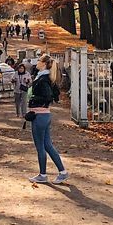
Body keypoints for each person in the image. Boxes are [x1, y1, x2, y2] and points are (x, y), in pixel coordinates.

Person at [26, 54, 68, 184]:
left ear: (43, 64)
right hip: (43, 114)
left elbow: (49, 96)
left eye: (38, 60)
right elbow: (55, 95)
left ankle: (43, 174)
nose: (36, 62)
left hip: (39, 115)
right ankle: (62, 172)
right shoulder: (46, 77)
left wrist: (33, 100)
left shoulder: (43, 78)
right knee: (47, 145)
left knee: (41, 146)